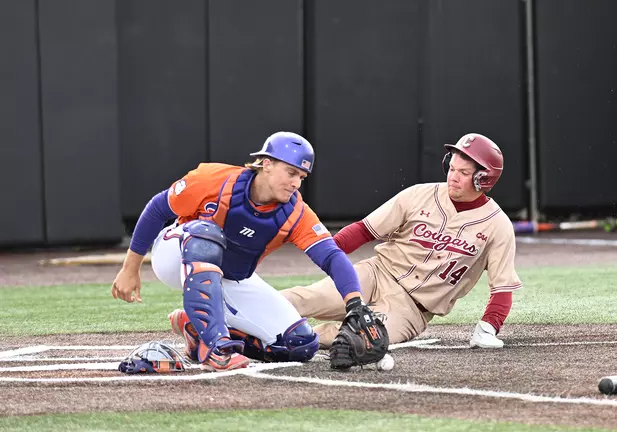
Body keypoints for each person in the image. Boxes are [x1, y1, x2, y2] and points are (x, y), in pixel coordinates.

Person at [111, 132, 371, 371]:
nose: (296, 183)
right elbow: (158, 208)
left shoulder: (296, 213)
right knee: (206, 233)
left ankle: (195, 331)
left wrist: (355, 303)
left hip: (231, 275)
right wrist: (130, 268)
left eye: (301, 177)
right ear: (266, 163)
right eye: (291, 172)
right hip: (176, 255)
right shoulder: (215, 180)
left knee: (299, 344)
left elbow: (331, 256)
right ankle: (216, 347)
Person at [282, 133, 523, 349]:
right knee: (306, 298)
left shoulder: (497, 225)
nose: (453, 177)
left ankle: (280, 342)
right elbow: (364, 230)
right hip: (376, 274)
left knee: (354, 338)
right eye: (452, 169)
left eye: (463, 173)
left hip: (411, 310)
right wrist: (327, 254)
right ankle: (248, 322)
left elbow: (502, 287)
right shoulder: (419, 194)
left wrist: (488, 328)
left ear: (484, 179)